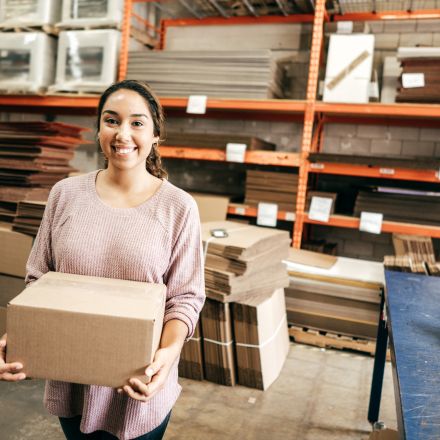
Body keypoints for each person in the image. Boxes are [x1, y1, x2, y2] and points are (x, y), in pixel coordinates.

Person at [0, 79, 206, 440]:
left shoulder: (178, 208)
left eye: (137, 123)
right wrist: (18, 339)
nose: (123, 133)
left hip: (140, 387)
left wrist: (167, 355)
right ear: (99, 129)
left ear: (156, 135)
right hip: (72, 382)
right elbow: (39, 282)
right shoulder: (65, 194)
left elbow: (185, 300)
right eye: (112, 120)